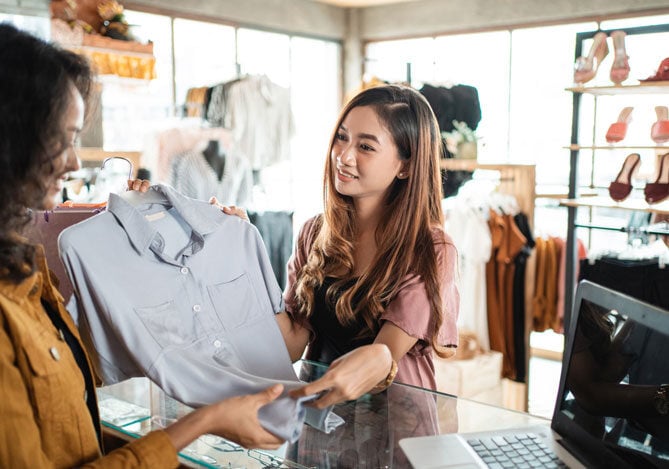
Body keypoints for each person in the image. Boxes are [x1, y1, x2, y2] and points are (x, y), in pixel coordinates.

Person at [0, 23, 284, 468]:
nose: (75, 161)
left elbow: (71, 409)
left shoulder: (28, 277)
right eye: (63, 139)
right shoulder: (25, 292)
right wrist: (204, 422)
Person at [191, 84, 459, 408]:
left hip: (394, 430)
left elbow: (379, 361)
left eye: (366, 147)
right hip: (318, 427)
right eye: (342, 137)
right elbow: (290, 346)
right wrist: (243, 252)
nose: (343, 156)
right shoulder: (315, 233)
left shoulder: (430, 249)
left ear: (406, 164)